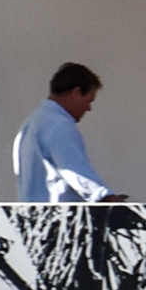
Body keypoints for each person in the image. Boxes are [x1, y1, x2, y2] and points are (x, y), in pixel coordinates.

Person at [13, 62, 123, 202]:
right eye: (89, 100)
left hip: (32, 216)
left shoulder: (31, 123)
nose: (88, 108)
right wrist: (107, 199)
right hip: (60, 218)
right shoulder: (58, 125)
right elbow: (76, 172)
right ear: (76, 93)